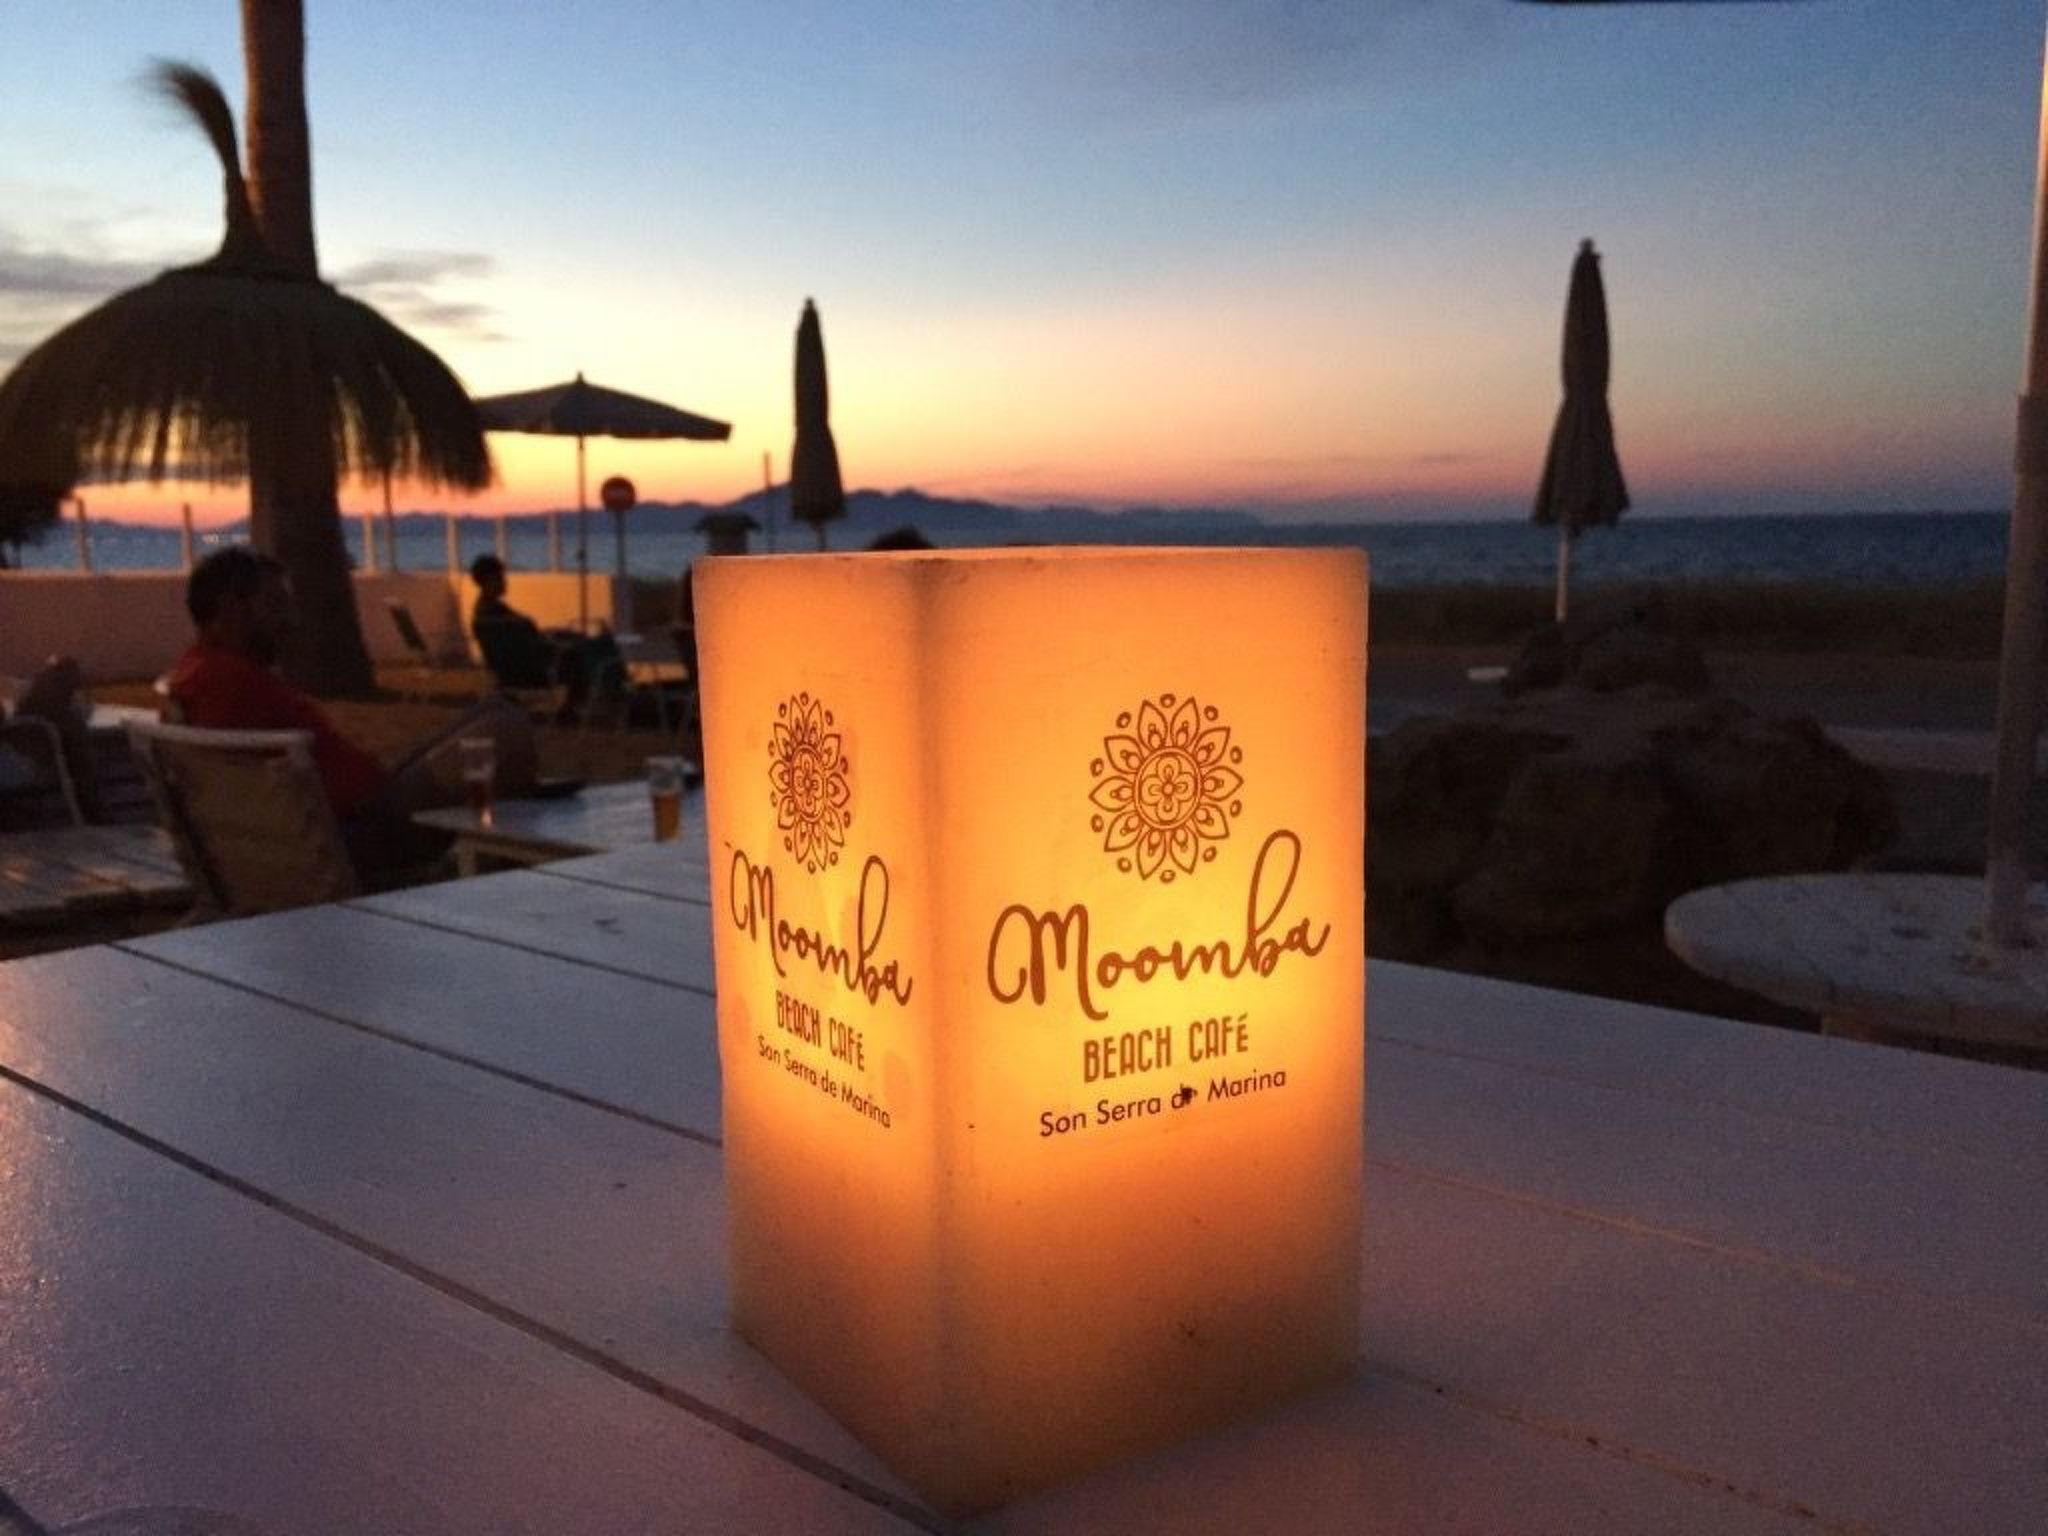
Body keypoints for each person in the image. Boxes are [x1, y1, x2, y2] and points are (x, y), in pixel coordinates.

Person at [164, 545, 538, 885]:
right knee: (505, 729)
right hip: (366, 833)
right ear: (231, 609)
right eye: (277, 604)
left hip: (346, 819)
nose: (290, 620)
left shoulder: (197, 673)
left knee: (492, 711)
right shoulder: (235, 682)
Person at [467, 554, 621, 723]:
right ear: (489, 581)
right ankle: (612, 693)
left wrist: (554, 637)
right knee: (589, 650)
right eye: (501, 578)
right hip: (536, 670)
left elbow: (527, 640)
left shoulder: (484, 617)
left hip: (511, 671)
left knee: (584, 645)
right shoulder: (503, 618)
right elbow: (533, 642)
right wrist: (557, 641)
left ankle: (591, 699)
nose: (505, 582)